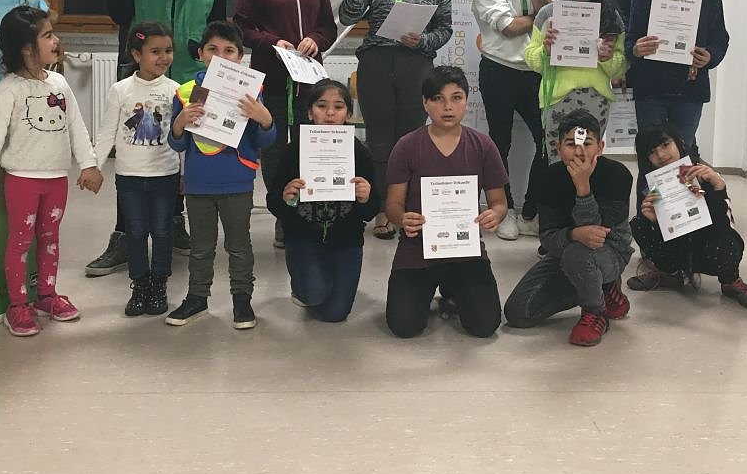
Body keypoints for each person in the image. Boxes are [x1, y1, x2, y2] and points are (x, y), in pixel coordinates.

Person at [85, 0, 225, 275]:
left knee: (181, 152)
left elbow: (217, 29)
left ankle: (173, 224)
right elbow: (119, 15)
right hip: (142, 77)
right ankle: (123, 236)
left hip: (190, 78)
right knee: (134, 150)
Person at [0, 6, 103, 337]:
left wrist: (89, 164)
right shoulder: (9, 89)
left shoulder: (59, 83)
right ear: (27, 48)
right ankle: (17, 305)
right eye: (48, 35)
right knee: (21, 241)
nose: (56, 41)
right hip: (23, 181)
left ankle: (46, 296)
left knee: (51, 238)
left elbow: (76, 127)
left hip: (57, 180)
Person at [337, 0, 452, 240]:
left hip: (416, 64)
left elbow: (445, 28)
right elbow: (347, 15)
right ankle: (382, 211)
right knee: (379, 140)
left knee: (410, 140)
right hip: (376, 62)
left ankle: (407, 209)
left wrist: (424, 41)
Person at [234, 0, 338, 249]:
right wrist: (272, 41)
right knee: (275, 149)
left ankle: (309, 210)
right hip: (273, 79)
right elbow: (243, 28)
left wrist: (316, 40)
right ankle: (282, 213)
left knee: (310, 146)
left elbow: (328, 26)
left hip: (309, 82)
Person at [164, 21, 276, 330]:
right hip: (198, 184)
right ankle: (197, 298)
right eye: (213, 49)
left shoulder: (252, 92)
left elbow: (264, 140)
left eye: (229, 51)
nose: (221, 56)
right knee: (201, 247)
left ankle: (242, 299)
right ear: (201, 54)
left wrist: (265, 119)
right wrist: (179, 123)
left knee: (239, 246)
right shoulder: (186, 92)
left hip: (238, 182)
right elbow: (177, 143)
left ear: (240, 57)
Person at [383, 66, 508, 339]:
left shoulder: (483, 145)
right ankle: (432, 290)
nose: (448, 107)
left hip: (465, 248)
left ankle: (452, 292)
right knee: (404, 326)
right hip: (417, 249)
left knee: (485, 325)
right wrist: (402, 218)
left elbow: (499, 202)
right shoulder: (407, 146)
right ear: (425, 103)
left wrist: (495, 215)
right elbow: (393, 204)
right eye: (438, 98)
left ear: (467, 101)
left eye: (456, 97)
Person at [502, 111, 634, 346]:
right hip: (565, 252)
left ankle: (595, 311)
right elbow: (548, 239)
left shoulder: (618, 175)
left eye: (587, 144)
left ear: (600, 147)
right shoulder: (548, 179)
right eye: (571, 144)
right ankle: (599, 289)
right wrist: (573, 234)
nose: (580, 152)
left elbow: (599, 237)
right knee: (519, 312)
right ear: (558, 148)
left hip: (610, 253)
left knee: (578, 252)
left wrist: (583, 187)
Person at [471, 0, 557, 240]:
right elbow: (508, 27)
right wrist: (540, 16)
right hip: (499, 70)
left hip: (537, 69)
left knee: (547, 141)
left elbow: (550, 15)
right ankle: (503, 208)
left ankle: (531, 212)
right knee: (499, 143)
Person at [267, 79, 380, 323]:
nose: (330, 113)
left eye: (338, 107)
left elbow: (372, 209)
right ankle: (304, 285)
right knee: (314, 293)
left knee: (335, 314)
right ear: (309, 112)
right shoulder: (293, 150)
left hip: (346, 241)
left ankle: (320, 279)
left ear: (348, 114)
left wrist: (366, 197)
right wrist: (286, 198)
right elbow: (273, 202)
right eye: (321, 106)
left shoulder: (360, 152)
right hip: (303, 238)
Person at [92, 21, 180, 318]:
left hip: (165, 175)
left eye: (168, 50)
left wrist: (185, 173)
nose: (163, 57)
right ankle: (139, 284)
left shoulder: (175, 90)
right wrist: (94, 166)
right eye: (155, 51)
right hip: (129, 177)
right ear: (136, 54)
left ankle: (159, 283)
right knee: (136, 232)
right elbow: (107, 131)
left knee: (163, 231)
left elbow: (183, 135)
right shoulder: (121, 90)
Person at [629, 124, 747, 311]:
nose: (661, 155)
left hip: (707, 245)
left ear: (678, 143)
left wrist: (718, 188)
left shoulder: (702, 176)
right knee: (638, 224)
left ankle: (730, 281)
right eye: (652, 152)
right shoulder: (651, 187)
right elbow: (660, 236)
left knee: (728, 241)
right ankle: (670, 274)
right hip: (677, 247)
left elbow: (723, 227)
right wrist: (654, 221)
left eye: (665, 145)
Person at [625, 0, 729, 151]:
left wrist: (710, 57)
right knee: (652, 154)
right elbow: (630, 41)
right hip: (651, 90)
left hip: (690, 90)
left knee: (681, 153)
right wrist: (636, 49)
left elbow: (720, 39)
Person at [523, 0, 625, 159]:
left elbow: (620, 66)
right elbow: (532, 61)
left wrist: (606, 58)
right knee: (558, 163)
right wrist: (546, 50)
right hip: (557, 99)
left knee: (589, 162)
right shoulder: (548, 14)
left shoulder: (610, 16)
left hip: (596, 98)